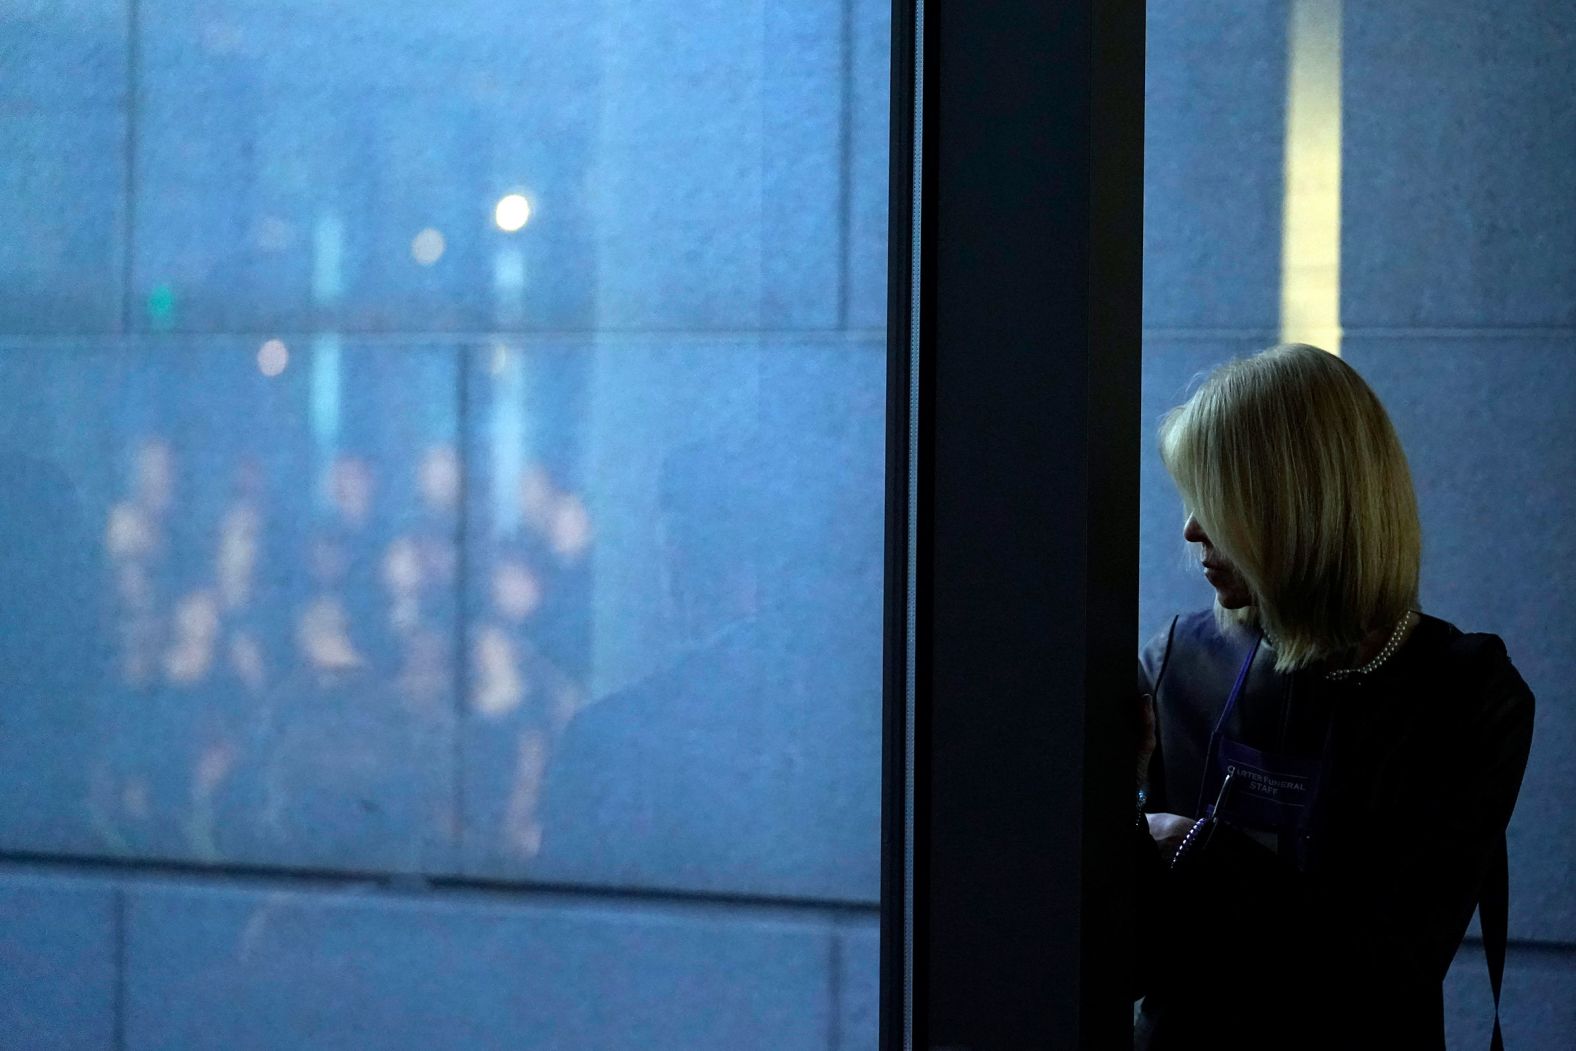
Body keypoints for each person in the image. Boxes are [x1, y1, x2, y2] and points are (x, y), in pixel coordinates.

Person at [1132, 344, 1534, 1049]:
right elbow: (1123, 940)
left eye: (1217, 500)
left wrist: (1197, 847)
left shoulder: (1465, 693)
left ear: (1298, 507)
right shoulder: (1177, 663)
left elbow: (1388, 965)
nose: (1191, 529)